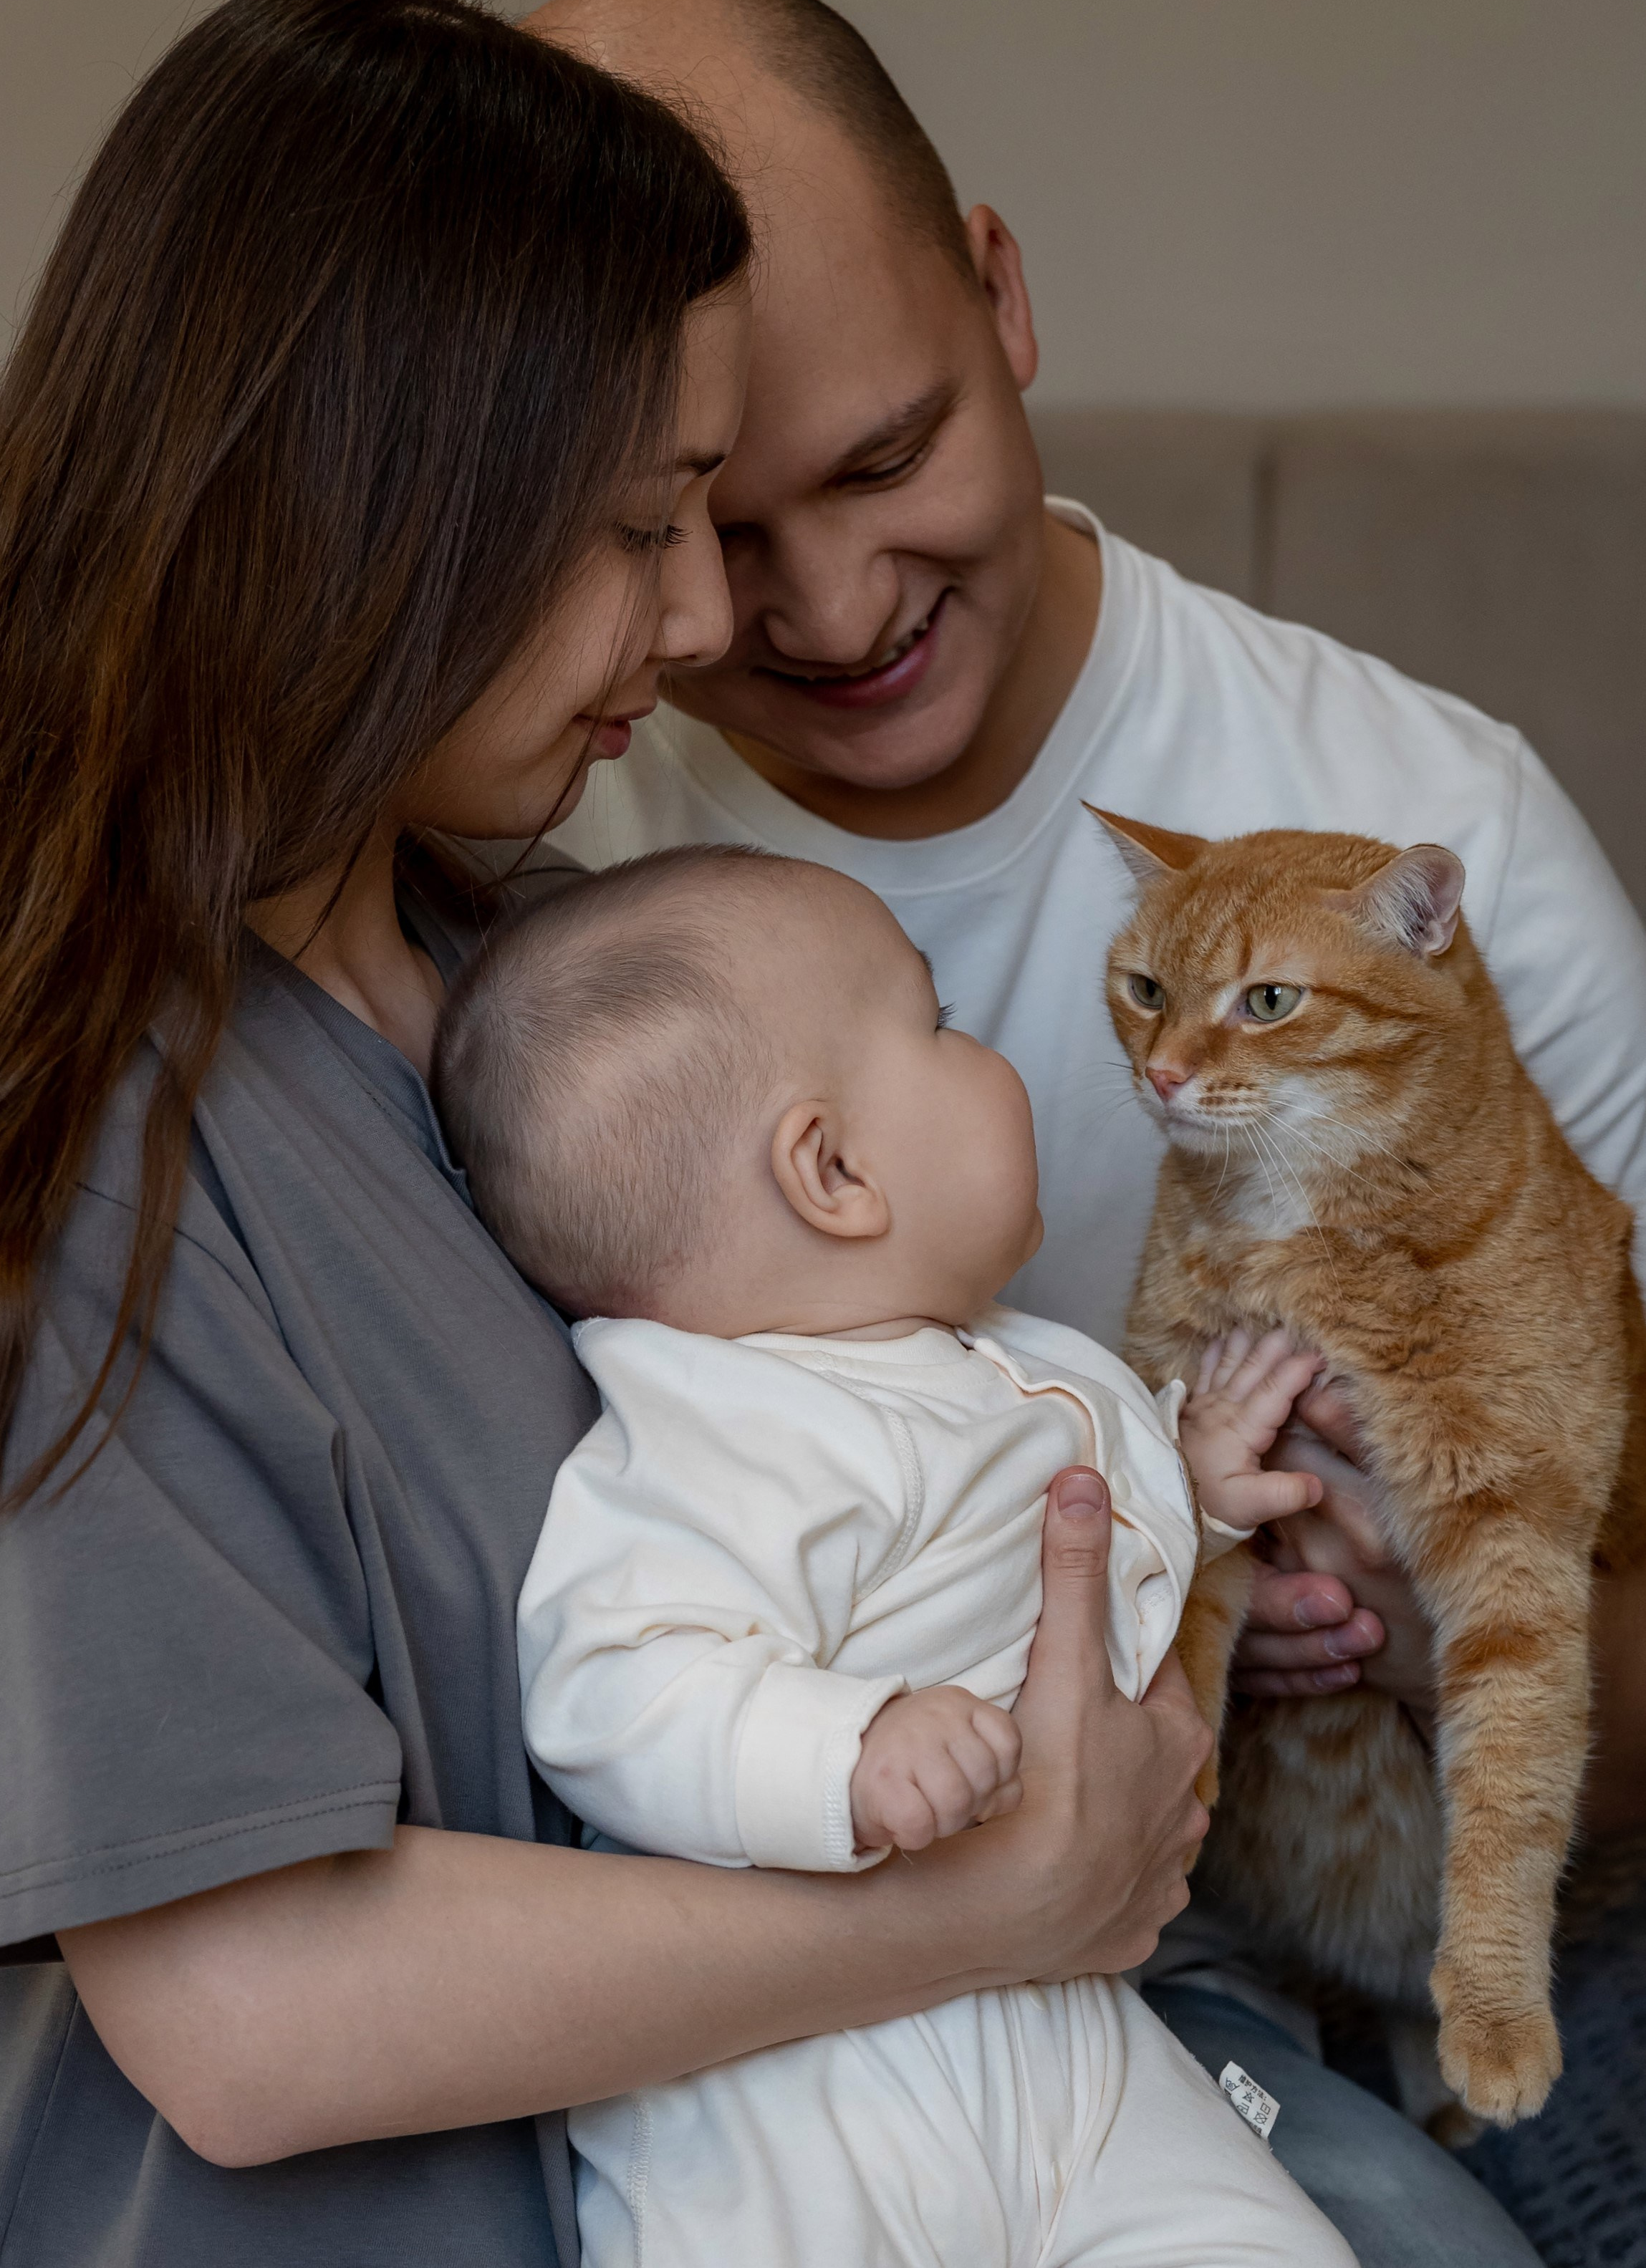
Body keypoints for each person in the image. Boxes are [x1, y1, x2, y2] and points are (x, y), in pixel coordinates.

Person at [0, 0, 1212, 2267]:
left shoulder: (530, 988)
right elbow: (248, 2010)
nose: (708, 615)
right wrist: (996, 1901)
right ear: (370, 503)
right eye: (642, 523)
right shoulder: (76, 1131)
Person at [534, 0, 1646, 2264]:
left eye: (885, 459)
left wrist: (1431, 1623)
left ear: (1003, 293)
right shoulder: (553, 886)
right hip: (840, 1929)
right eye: (709, 521)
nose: (830, 606)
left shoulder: (1431, 828)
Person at [435, 841, 1351, 2268]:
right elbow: (614, 1680)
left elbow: (1045, 1558)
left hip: (1069, 2041)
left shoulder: (991, 1358)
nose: (991, 1050)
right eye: (941, 1024)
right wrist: (846, 1747)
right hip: (795, 2093)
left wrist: (1190, 1487)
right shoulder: (713, 1430)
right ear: (834, 1170)